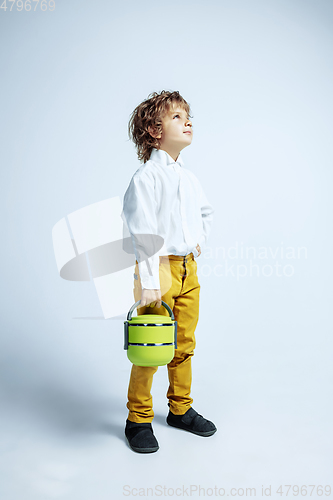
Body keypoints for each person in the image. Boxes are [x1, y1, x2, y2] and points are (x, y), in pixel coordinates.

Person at [121, 90, 216, 453]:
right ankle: (138, 418)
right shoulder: (147, 177)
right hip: (157, 267)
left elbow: (207, 212)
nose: (187, 121)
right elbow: (141, 229)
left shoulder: (189, 179)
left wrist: (196, 240)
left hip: (187, 269)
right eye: (177, 117)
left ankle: (180, 408)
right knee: (151, 346)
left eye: (188, 116)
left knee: (184, 343)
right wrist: (148, 280)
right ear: (154, 130)